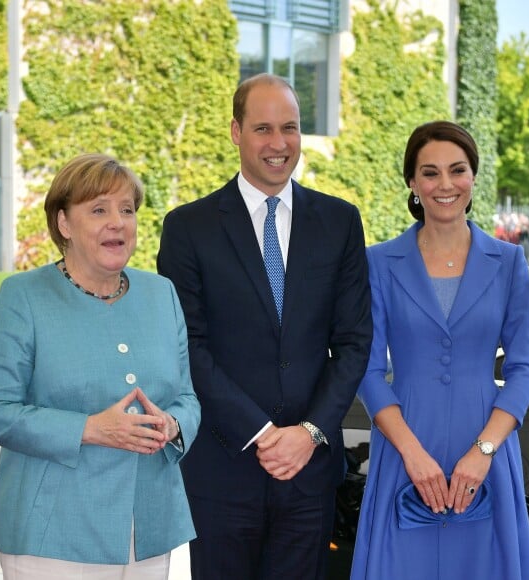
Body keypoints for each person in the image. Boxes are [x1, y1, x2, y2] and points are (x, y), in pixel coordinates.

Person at [157, 73, 372, 580]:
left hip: (309, 472)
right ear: (236, 132)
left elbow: (355, 341)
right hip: (223, 470)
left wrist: (310, 433)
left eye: (291, 128)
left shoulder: (339, 221)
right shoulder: (189, 227)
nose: (279, 144)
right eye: (263, 129)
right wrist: (260, 433)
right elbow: (187, 345)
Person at [0, 153, 201, 579]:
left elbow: (186, 398)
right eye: (99, 209)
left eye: (127, 210)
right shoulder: (23, 297)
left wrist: (173, 425)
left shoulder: (162, 294)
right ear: (64, 223)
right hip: (51, 535)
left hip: (149, 529)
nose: (118, 222)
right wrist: (90, 429)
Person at [350, 121, 529, 579]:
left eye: (457, 170)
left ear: (473, 177)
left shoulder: (509, 262)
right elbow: (368, 370)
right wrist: (412, 456)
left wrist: (483, 452)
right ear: (413, 184)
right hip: (404, 448)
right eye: (430, 173)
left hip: (487, 452)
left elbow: (523, 369)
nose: (445, 184)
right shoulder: (378, 262)